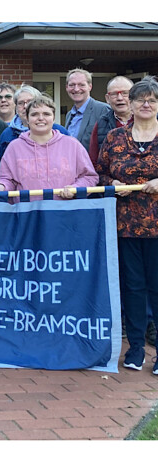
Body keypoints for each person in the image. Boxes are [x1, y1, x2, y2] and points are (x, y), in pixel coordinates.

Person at [96, 76, 158, 373]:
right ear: (130, 104)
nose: (147, 104)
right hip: (125, 226)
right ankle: (135, 349)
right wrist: (114, 183)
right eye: (141, 99)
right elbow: (100, 174)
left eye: (153, 100)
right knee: (132, 287)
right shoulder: (115, 138)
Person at [0, 95, 98, 203]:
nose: (41, 118)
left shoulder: (72, 145)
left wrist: (76, 188)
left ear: (54, 118)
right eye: (34, 114)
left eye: (46, 114)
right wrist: (0, 186)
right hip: (27, 215)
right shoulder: (14, 147)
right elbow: (7, 179)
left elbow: (89, 177)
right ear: (27, 118)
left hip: (65, 214)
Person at [0, 85, 69, 158]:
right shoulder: (7, 134)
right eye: (21, 103)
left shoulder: (60, 131)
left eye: (30, 102)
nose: (26, 106)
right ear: (16, 107)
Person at [89, 76, 134, 165]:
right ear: (107, 99)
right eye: (114, 94)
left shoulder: (149, 121)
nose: (120, 98)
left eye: (125, 93)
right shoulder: (101, 124)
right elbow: (93, 160)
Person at [64, 68, 110, 152]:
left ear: (90, 86)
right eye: (72, 85)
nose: (76, 89)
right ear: (67, 87)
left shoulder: (103, 110)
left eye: (81, 85)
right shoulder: (69, 115)